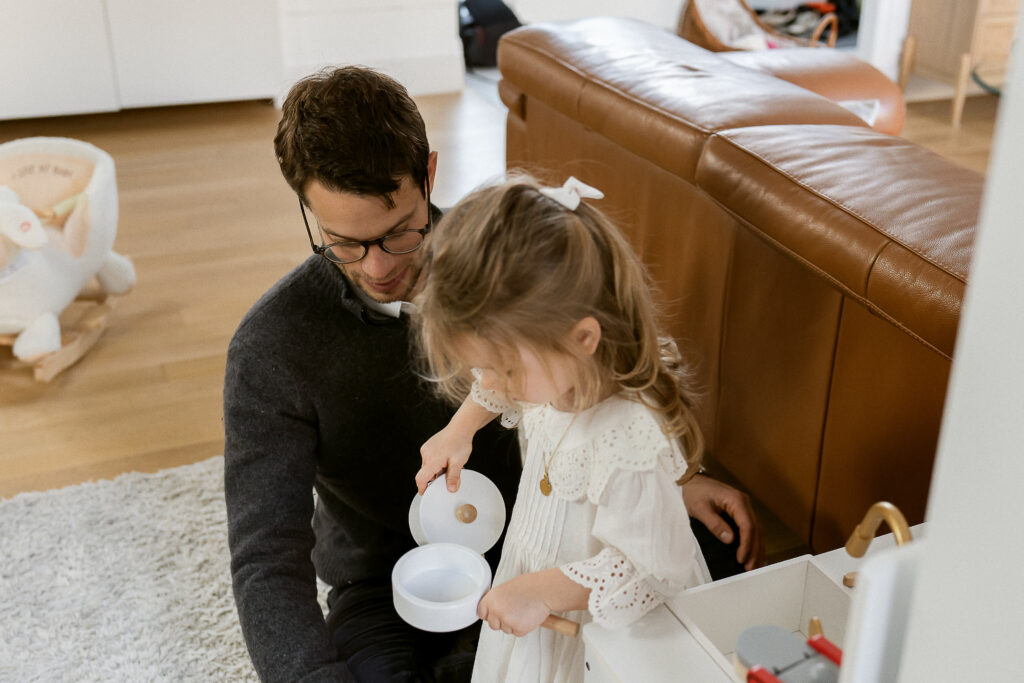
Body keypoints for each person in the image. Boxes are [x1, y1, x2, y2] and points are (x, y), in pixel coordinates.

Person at [223, 66, 763, 683]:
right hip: (385, 585)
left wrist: (672, 478)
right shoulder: (270, 346)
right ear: (306, 207)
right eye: (343, 242)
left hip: (541, 552)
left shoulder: (512, 265)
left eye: (398, 232)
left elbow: (611, 365)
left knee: (706, 578)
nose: (376, 268)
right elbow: (265, 556)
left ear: (428, 175)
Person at [413, 174, 722, 681]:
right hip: (539, 581)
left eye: (504, 370)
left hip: (601, 619)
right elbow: (494, 386)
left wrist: (538, 591)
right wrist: (460, 428)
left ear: (582, 339)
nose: (490, 382)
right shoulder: (560, 372)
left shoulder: (626, 436)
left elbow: (653, 568)